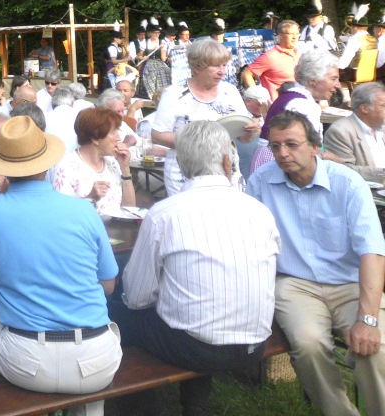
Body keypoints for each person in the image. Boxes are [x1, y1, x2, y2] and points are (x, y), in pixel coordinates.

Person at [0, 117, 121, 416]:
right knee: (91, 378)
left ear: (2, 168)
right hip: (97, 357)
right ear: (46, 165)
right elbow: (108, 285)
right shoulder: (84, 210)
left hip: (26, 360)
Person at [115, 121, 280, 416]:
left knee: (118, 311)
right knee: (192, 311)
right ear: (227, 162)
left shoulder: (164, 214)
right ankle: (194, 405)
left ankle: (140, 406)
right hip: (254, 345)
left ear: (181, 164)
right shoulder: (260, 212)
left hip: (193, 347)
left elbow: (138, 298)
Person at [248, 111, 385, 416]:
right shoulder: (261, 181)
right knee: (308, 345)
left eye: (291, 144)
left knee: (375, 349)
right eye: (275, 146)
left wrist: (367, 320)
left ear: (314, 146)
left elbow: (372, 251)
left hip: (349, 282)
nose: (283, 153)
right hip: (294, 283)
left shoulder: (348, 183)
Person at [151, 39, 257, 196]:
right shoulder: (174, 94)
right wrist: (204, 142)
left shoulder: (230, 91)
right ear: (196, 67)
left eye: (224, 65)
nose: (222, 71)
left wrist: (250, 131)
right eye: (215, 66)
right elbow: (157, 135)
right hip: (185, 175)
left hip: (228, 172)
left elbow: (243, 138)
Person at [249, 50, 341, 176]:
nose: (338, 85)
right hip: (278, 166)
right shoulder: (302, 105)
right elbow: (306, 151)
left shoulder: (291, 97)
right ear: (313, 80)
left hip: (271, 162)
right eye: (333, 79)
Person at [50, 108, 135, 216]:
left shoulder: (112, 163)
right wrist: (89, 198)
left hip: (117, 226)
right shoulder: (66, 168)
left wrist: (125, 169)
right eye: (113, 132)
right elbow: (61, 215)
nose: (119, 138)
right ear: (95, 138)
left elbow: (130, 210)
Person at [323, 81, 385, 171]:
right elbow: (345, 171)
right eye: (383, 105)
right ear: (364, 108)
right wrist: (382, 174)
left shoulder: (381, 127)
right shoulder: (340, 132)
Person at [244, 19, 302, 101]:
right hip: (278, 106)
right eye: (291, 34)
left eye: (297, 33)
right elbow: (246, 74)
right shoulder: (269, 56)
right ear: (281, 35)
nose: (294, 37)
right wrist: (257, 96)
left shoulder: (299, 54)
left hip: (298, 103)